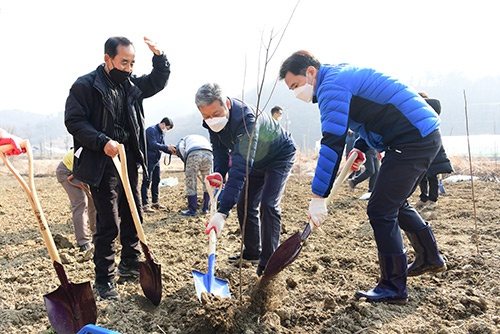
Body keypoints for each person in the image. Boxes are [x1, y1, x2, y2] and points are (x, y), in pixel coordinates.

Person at [279, 50, 446, 304]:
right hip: (416, 134)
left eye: (295, 85)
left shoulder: (330, 86)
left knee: (380, 209)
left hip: (412, 138)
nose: (296, 93)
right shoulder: (336, 77)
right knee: (393, 202)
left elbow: (332, 143)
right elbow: (372, 113)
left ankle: (393, 286)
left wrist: (318, 195)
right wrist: (361, 145)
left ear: (310, 72)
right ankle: (429, 258)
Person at [64, 36, 171, 300]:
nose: (129, 68)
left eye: (132, 63)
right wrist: (102, 141)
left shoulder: (131, 84)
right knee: (109, 222)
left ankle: (130, 262)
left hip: (128, 158)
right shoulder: (86, 86)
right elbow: (74, 121)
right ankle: (104, 278)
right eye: (124, 62)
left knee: (134, 213)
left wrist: (160, 58)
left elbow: (157, 81)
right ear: (107, 59)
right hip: (102, 162)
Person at [195, 83, 297, 276]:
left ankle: (268, 263)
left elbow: (241, 166)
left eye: (216, 113)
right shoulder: (212, 122)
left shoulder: (247, 119)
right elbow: (219, 150)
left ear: (226, 104)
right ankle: (252, 253)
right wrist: (219, 173)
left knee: (268, 204)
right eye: (206, 116)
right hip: (255, 159)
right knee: (244, 203)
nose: (212, 120)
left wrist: (223, 212)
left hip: (279, 156)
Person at [414, 92, 454, 210]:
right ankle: (423, 198)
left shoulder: (431, 111)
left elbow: (434, 103)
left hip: (432, 149)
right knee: (421, 176)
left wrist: (417, 100)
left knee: (432, 176)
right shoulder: (418, 117)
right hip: (421, 148)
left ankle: (433, 199)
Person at [56, 149, 97, 252]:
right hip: (67, 172)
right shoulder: (89, 148)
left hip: (81, 172)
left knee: (94, 202)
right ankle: (83, 242)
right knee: (81, 202)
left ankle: (97, 236)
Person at [141, 117, 175, 213]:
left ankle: (155, 202)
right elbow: (152, 144)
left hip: (156, 160)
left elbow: (162, 146)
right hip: (149, 159)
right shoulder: (151, 130)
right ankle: (145, 204)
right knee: (147, 181)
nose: (166, 130)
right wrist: (167, 147)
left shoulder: (161, 133)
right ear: (163, 124)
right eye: (167, 128)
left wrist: (171, 151)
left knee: (156, 180)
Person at [175, 134, 213, 216]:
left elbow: (180, 148)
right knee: (207, 182)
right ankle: (206, 208)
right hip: (208, 154)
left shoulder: (183, 139)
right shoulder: (202, 138)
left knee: (191, 182)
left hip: (193, 153)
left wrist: (185, 160)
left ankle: (192, 210)